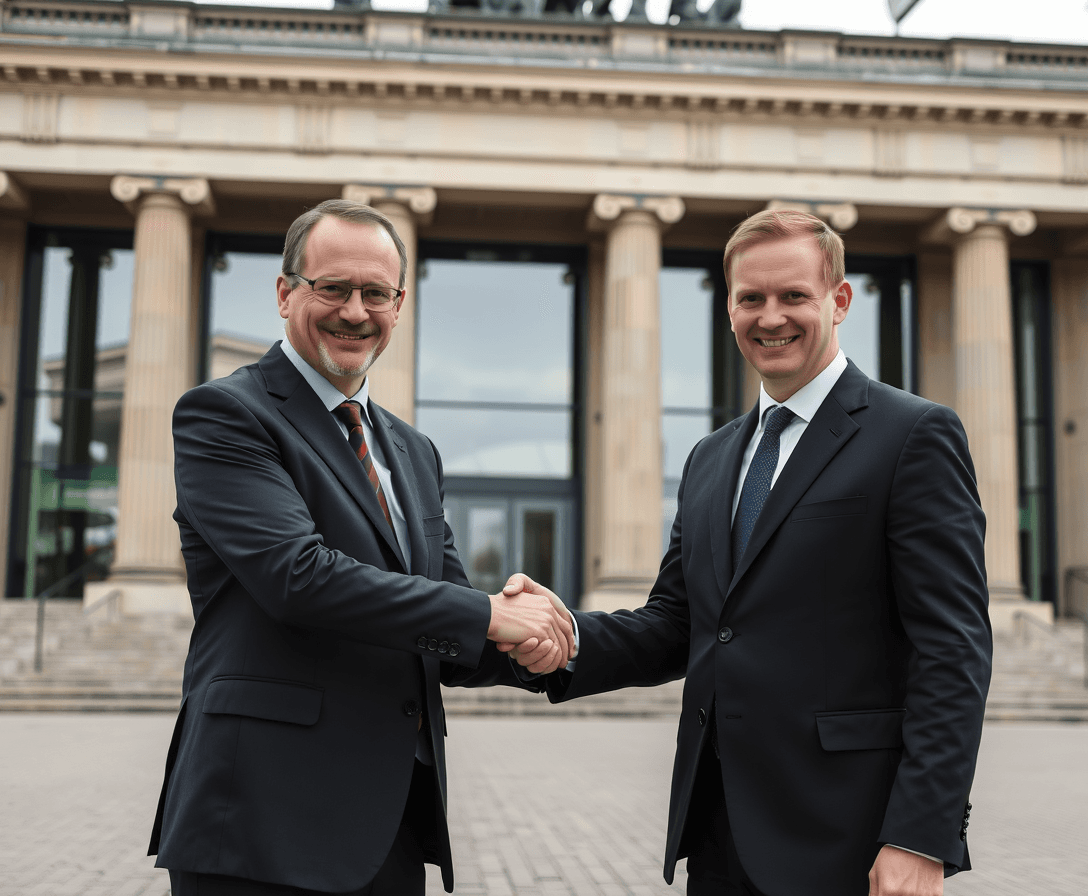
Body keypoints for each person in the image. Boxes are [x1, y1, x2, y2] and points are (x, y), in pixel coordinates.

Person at [504, 209, 993, 896]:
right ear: (729, 306)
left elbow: (953, 649)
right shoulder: (711, 457)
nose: (770, 317)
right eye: (750, 298)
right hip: (719, 828)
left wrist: (921, 833)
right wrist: (566, 637)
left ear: (840, 300)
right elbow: (679, 623)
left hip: (849, 835)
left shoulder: (914, 435)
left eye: (793, 296)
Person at [148, 199, 574, 896]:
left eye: (375, 293)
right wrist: (490, 616)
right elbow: (298, 577)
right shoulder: (226, 414)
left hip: (386, 829)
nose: (355, 311)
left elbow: (449, 622)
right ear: (286, 292)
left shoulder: (412, 450)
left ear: (399, 305)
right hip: (258, 823)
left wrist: (554, 641)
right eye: (333, 288)